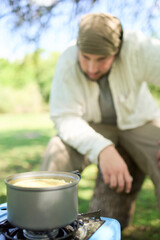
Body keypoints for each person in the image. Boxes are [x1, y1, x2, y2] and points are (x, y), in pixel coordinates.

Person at [41, 13, 160, 229]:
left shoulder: (138, 47)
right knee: (57, 148)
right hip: (92, 125)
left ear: (117, 51)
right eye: (85, 57)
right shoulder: (67, 60)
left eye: (102, 59)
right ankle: (44, 227)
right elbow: (64, 117)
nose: (91, 68)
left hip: (140, 122)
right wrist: (102, 149)